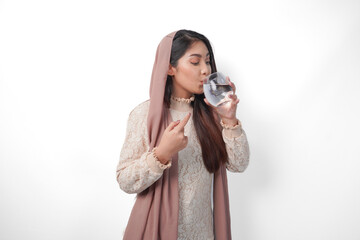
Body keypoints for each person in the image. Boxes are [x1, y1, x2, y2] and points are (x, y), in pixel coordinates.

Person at [116, 29, 250, 240]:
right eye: (195, 62)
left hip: (201, 234)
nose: (205, 70)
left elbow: (238, 164)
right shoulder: (145, 114)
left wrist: (230, 119)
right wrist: (161, 153)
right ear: (170, 67)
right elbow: (125, 180)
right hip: (154, 231)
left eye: (207, 61)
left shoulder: (212, 116)